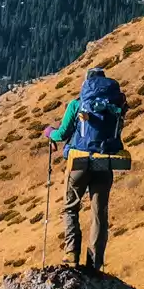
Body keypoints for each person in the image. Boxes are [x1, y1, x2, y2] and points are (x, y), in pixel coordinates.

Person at [42, 67, 128, 271]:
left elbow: (61, 134)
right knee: (99, 213)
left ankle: (71, 253)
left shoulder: (77, 104)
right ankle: (95, 262)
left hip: (79, 163)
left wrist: (48, 132)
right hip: (105, 162)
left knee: (71, 207)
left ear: (86, 84)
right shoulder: (116, 106)